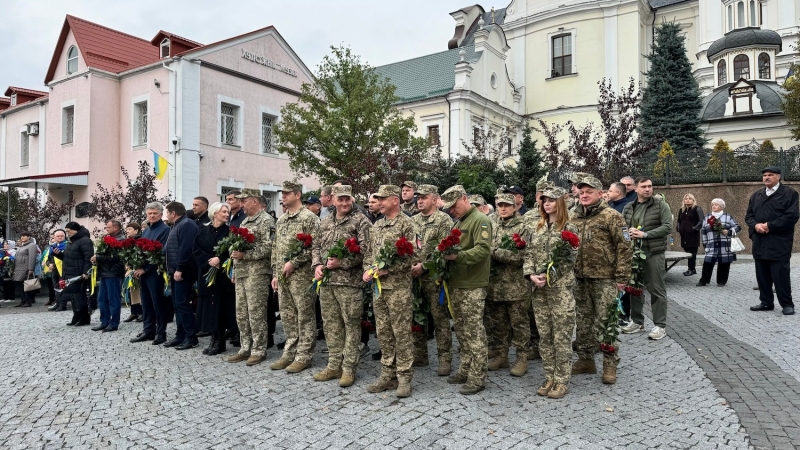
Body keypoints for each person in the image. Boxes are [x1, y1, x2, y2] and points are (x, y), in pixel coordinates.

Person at [570, 175, 632, 385]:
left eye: (589, 191)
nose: (584, 195)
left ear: (600, 193)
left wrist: (622, 277)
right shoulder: (573, 216)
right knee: (583, 322)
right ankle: (586, 359)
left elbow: (624, 247)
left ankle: (609, 363)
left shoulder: (612, 216)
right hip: (579, 278)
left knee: (607, 322)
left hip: (605, 279)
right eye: (582, 192)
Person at [311, 185, 371, 386]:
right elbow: (316, 246)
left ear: (352, 200)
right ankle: (333, 365)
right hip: (327, 282)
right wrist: (317, 265)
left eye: (348, 199)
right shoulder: (326, 220)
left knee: (351, 325)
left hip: (350, 284)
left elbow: (366, 250)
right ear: (333, 200)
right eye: (341, 199)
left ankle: (349, 369)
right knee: (331, 325)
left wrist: (342, 263)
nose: (344, 203)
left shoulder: (361, 220)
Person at [361, 184, 416, 398]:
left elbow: (413, 256)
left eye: (382, 199)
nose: (379, 203)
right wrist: (369, 269)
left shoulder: (407, 224)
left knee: (401, 333)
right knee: (383, 333)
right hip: (379, 289)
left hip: (398, 289)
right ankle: (387, 375)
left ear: (395, 200)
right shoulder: (377, 225)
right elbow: (369, 253)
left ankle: (404, 378)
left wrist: (387, 269)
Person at [523, 186, 579, 399]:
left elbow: (570, 259)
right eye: (544, 200)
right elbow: (528, 254)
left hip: (560, 290)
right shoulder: (536, 227)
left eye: (551, 200)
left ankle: (562, 379)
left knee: (561, 335)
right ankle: (549, 375)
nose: (546, 204)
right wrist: (530, 275)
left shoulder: (569, 228)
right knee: (545, 336)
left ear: (560, 203)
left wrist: (549, 276)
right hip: (539, 291)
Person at [440, 185, 493, 395]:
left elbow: (483, 250)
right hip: (458, 283)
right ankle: (466, 368)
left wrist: (457, 257)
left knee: (474, 330)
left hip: (473, 284)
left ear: (464, 199)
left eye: (454, 206)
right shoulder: (460, 221)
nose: (452, 210)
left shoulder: (480, 220)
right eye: (449, 208)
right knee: (461, 329)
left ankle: (478, 376)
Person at [270, 181, 320, 373]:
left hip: (302, 276)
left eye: (287, 193)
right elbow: (276, 248)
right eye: (282, 193)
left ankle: (304, 355)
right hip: (283, 277)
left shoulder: (309, 218)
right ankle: (289, 352)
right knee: (288, 316)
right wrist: (275, 273)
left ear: (297, 195)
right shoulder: (282, 219)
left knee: (304, 316)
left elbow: (315, 247)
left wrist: (295, 262)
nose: (283, 196)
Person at [225, 190, 276, 365]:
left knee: (256, 313)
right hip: (242, 273)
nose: (241, 204)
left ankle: (259, 349)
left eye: (244, 201)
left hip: (257, 273)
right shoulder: (245, 221)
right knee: (242, 313)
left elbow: (268, 248)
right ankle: (245, 348)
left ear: (254, 201)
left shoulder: (266, 221)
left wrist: (244, 256)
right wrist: (235, 269)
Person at [621, 177, 672, 340]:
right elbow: (622, 227)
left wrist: (645, 235)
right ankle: (637, 321)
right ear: (636, 188)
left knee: (657, 289)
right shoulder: (629, 207)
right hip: (634, 253)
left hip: (653, 253)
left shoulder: (660, 205)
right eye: (644, 186)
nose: (648, 189)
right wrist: (627, 235)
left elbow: (667, 227)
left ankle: (660, 325)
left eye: (650, 186)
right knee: (634, 288)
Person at [410, 184, 454, 376]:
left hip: (434, 278)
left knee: (440, 319)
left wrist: (424, 266)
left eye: (424, 197)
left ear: (435, 199)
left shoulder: (444, 220)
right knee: (417, 316)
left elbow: (445, 249)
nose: (419, 200)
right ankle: (420, 354)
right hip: (414, 276)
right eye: (418, 197)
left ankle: (445, 358)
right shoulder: (412, 221)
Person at [486, 193, 531, 377]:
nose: (503, 208)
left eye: (507, 205)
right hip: (495, 285)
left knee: (519, 323)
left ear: (515, 207)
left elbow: (520, 256)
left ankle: (522, 358)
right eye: (500, 205)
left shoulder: (523, 227)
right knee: (499, 323)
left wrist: (493, 252)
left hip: (516, 286)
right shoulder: (491, 224)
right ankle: (501, 355)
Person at [746, 167, 799, 315]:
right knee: (762, 275)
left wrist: (769, 226)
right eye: (764, 175)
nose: (767, 177)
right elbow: (748, 216)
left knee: (780, 275)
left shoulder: (790, 194)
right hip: (760, 241)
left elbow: (791, 216)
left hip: (779, 241)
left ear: (778, 177)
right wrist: (755, 225)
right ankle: (766, 302)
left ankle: (787, 304)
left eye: (771, 175)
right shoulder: (756, 195)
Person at [193, 202, 236, 356]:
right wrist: (209, 260)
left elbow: (233, 250)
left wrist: (220, 259)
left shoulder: (230, 232)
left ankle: (220, 341)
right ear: (215, 213)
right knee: (209, 309)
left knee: (220, 308)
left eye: (228, 212)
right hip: (207, 273)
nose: (226, 214)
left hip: (222, 276)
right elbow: (196, 249)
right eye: (223, 211)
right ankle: (213, 338)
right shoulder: (202, 231)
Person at [131, 202, 171, 345]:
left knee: (157, 303)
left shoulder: (165, 230)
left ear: (161, 214)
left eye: (155, 213)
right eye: (150, 213)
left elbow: (161, 253)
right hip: (143, 272)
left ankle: (161, 332)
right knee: (146, 303)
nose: (152, 216)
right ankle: (148, 330)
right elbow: (141, 251)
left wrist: (145, 268)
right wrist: (136, 265)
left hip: (156, 272)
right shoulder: (146, 230)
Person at [163, 202, 200, 350]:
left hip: (183, 271)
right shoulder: (176, 225)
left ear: (173, 213)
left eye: (167, 213)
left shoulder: (187, 225)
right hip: (174, 270)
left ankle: (191, 337)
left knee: (183, 304)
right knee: (177, 304)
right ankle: (180, 335)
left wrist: (180, 268)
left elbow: (186, 248)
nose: (166, 216)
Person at [91, 220, 127, 332]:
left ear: (116, 228)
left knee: (113, 299)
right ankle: (104, 321)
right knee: (102, 299)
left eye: (108, 227)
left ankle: (114, 323)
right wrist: (96, 258)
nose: (107, 229)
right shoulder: (107, 239)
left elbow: (116, 257)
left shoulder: (121, 240)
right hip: (105, 272)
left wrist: (99, 258)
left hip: (113, 273)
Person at [696, 198, 741, 287]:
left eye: (716, 204)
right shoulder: (707, 216)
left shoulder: (728, 216)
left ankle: (721, 281)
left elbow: (738, 227)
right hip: (711, 244)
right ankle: (703, 280)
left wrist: (728, 231)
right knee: (708, 263)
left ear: (721, 206)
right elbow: (704, 231)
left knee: (724, 263)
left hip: (724, 245)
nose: (714, 206)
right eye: (712, 204)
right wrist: (705, 244)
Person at [58, 222, 94, 326]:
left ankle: (84, 317)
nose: (67, 233)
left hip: (79, 273)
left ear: (75, 230)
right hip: (70, 272)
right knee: (74, 297)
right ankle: (76, 316)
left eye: (69, 231)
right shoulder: (71, 241)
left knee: (81, 297)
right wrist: (58, 255)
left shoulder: (85, 241)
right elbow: (68, 257)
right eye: (67, 231)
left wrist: (86, 272)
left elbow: (88, 258)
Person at [676, 194, 704, 276]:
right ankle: (691, 269)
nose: (687, 200)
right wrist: (678, 227)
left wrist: (695, 228)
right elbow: (679, 220)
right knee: (687, 251)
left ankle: (691, 269)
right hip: (684, 234)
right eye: (686, 199)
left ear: (693, 200)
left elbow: (701, 220)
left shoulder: (697, 209)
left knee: (692, 252)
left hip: (693, 235)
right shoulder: (682, 210)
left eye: (689, 199)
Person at [122, 223, 144, 322]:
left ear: (136, 230)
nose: (127, 231)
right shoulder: (128, 241)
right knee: (132, 291)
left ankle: (140, 312)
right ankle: (134, 312)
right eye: (127, 229)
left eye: (130, 229)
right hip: (130, 269)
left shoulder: (140, 240)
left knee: (138, 291)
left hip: (138, 268)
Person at [12, 232, 38, 308]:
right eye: (21, 236)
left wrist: (31, 268)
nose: (22, 237)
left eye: (24, 236)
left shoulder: (32, 245)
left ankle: (27, 301)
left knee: (26, 285)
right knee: (19, 284)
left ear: (29, 237)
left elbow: (32, 257)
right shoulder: (20, 246)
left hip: (25, 268)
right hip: (18, 268)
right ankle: (23, 300)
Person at [45, 230, 68, 311]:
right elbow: (48, 259)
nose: (60, 237)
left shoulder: (67, 245)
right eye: (58, 236)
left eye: (61, 236)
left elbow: (65, 258)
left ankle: (63, 304)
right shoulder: (52, 247)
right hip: (55, 270)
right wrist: (49, 264)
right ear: (54, 237)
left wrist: (53, 264)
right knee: (56, 287)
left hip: (63, 269)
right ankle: (57, 303)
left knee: (63, 287)